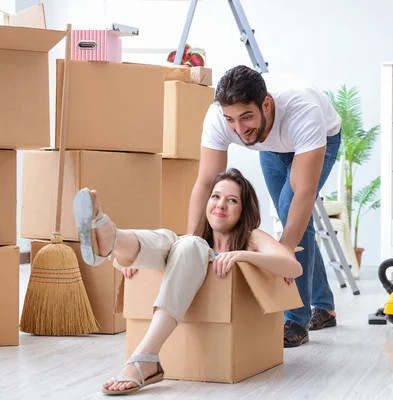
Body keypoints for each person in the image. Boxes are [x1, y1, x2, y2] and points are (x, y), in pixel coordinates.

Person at [72, 168, 302, 395]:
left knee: (189, 245)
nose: (220, 204)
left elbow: (294, 267)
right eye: (215, 196)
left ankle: (144, 355)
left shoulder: (253, 238)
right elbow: (152, 254)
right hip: (188, 248)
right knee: (174, 240)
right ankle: (113, 239)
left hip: (225, 314)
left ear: (243, 211)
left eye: (232, 200)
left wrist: (242, 256)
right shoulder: (196, 242)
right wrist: (124, 261)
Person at [187, 65, 342, 348]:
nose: (239, 129)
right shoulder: (219, 118)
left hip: (320, 138)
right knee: (294, 220)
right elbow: (205, 183)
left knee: (289, 208)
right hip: (271, 147)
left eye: (247, 117)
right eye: (231, 120)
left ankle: (295, 318)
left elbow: (303, 194)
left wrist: (282, 262)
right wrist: (192, 245)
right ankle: (324, 305)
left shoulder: (303, 110)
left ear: (266, 104)